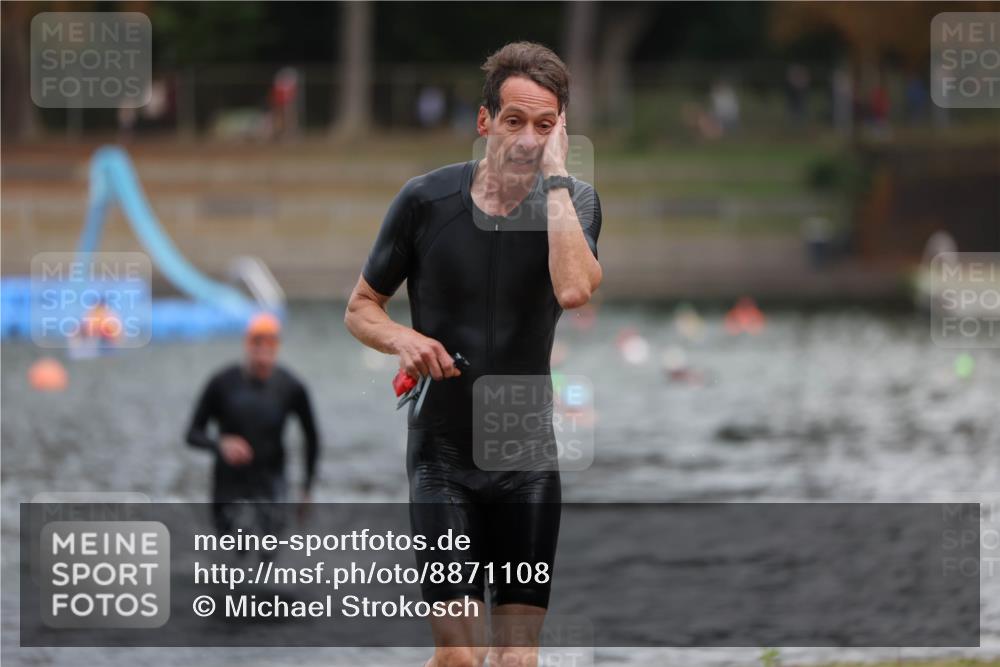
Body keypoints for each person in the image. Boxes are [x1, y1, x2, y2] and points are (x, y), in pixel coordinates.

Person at [345, 42, 602, 667]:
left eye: (545, 125)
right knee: (460, 657)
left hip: (526, 456)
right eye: (514, 120)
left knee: (517, 658)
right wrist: (403, 338)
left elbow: (573, 289)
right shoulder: (424, 203)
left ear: (562, 129)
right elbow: (361, 308)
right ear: (485, 120)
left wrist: (558, 180)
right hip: (443, 456)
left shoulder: (577, 203)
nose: (527, 138)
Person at [186, 312, 320, 537]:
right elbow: (192, 434)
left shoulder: (292, 387)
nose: (262, 351)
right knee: (231, 554)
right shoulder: (222, 383)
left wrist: (306, 489)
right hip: (229, 484)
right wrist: (221, 444)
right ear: (247, 345)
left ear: (276, 347)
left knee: (269, 553)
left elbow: (312, 438)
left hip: (271, 481)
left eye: (269, 343)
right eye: (257, 343)